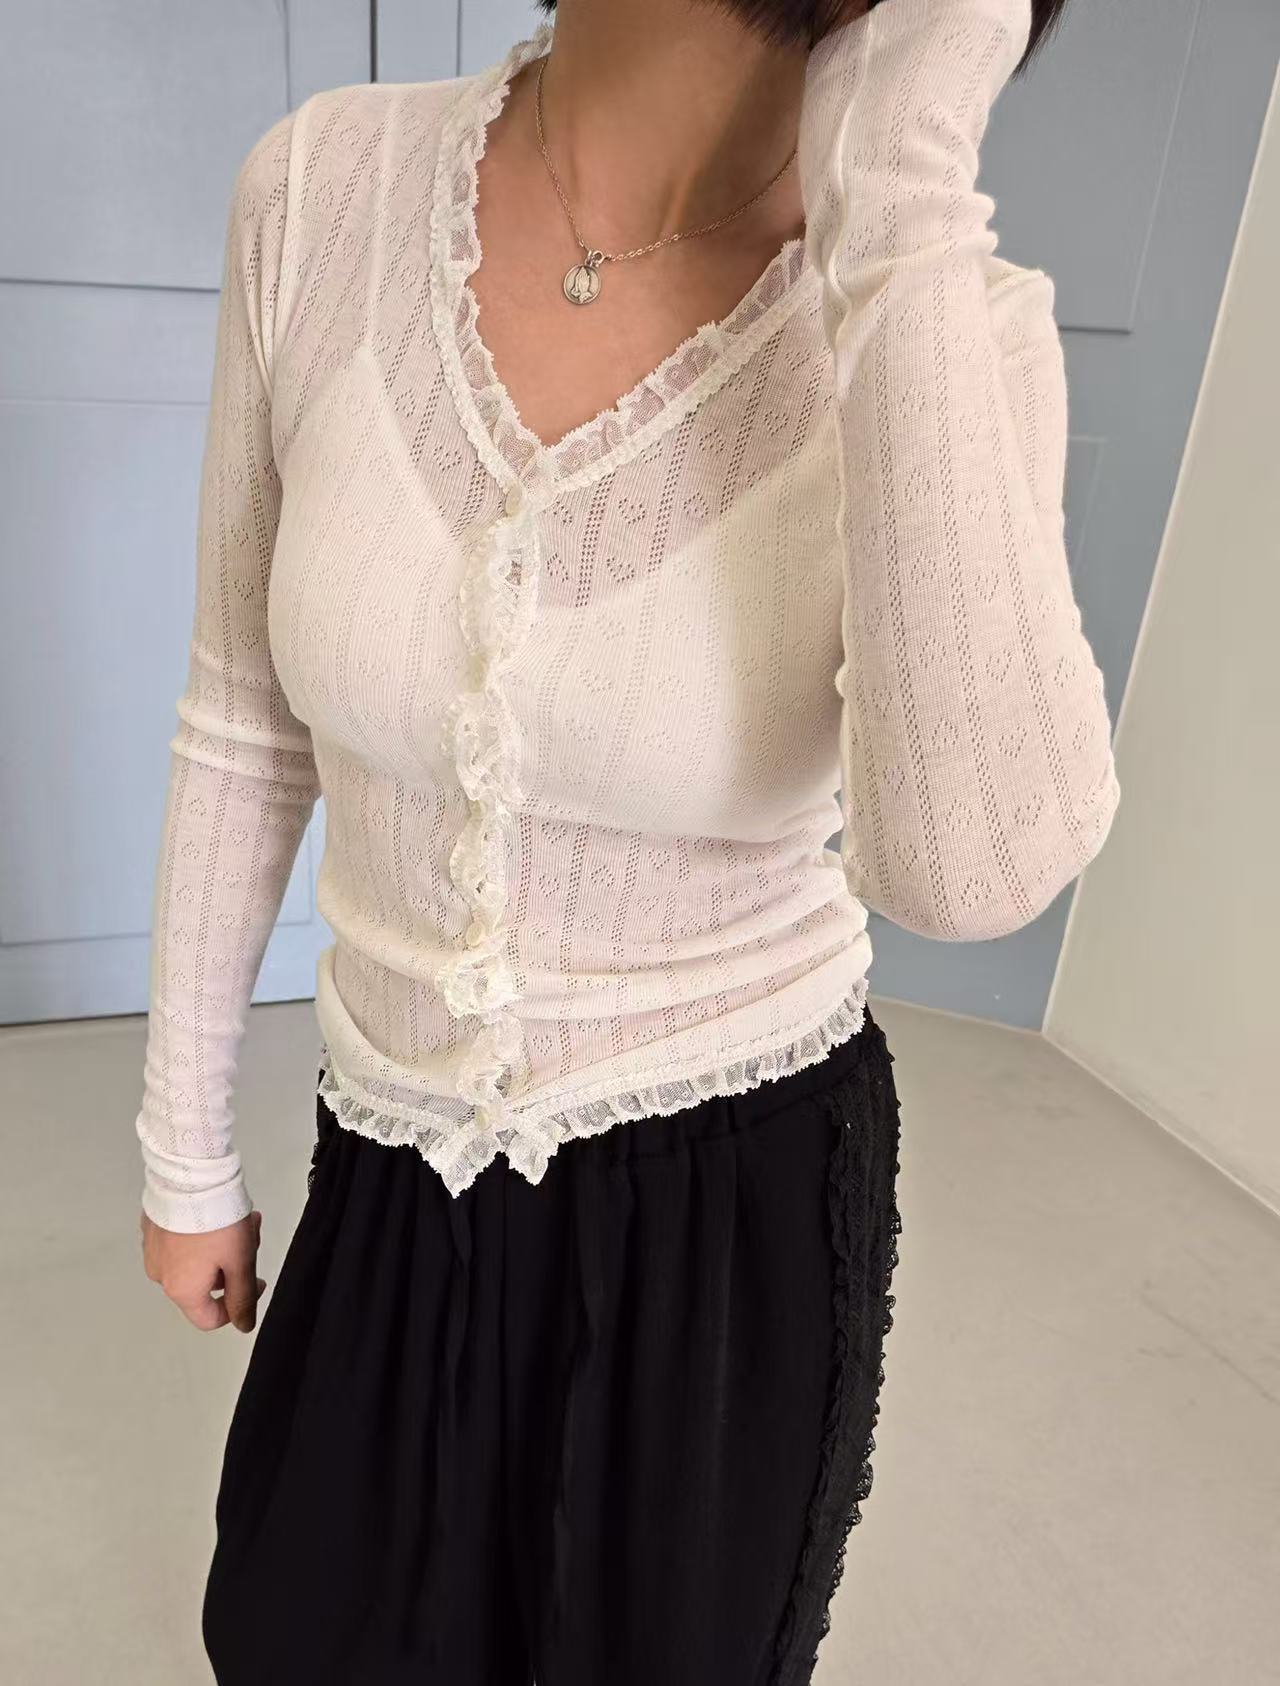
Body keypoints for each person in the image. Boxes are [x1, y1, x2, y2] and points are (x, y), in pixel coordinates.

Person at [135, 0, 1117, 1679]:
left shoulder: (946, 318)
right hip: (385, 1154)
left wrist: (896, 174)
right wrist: (183, 1145)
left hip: (720, 1234)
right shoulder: (320, 194)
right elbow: (242, 712)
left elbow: (968, 869)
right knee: (295, 1631)